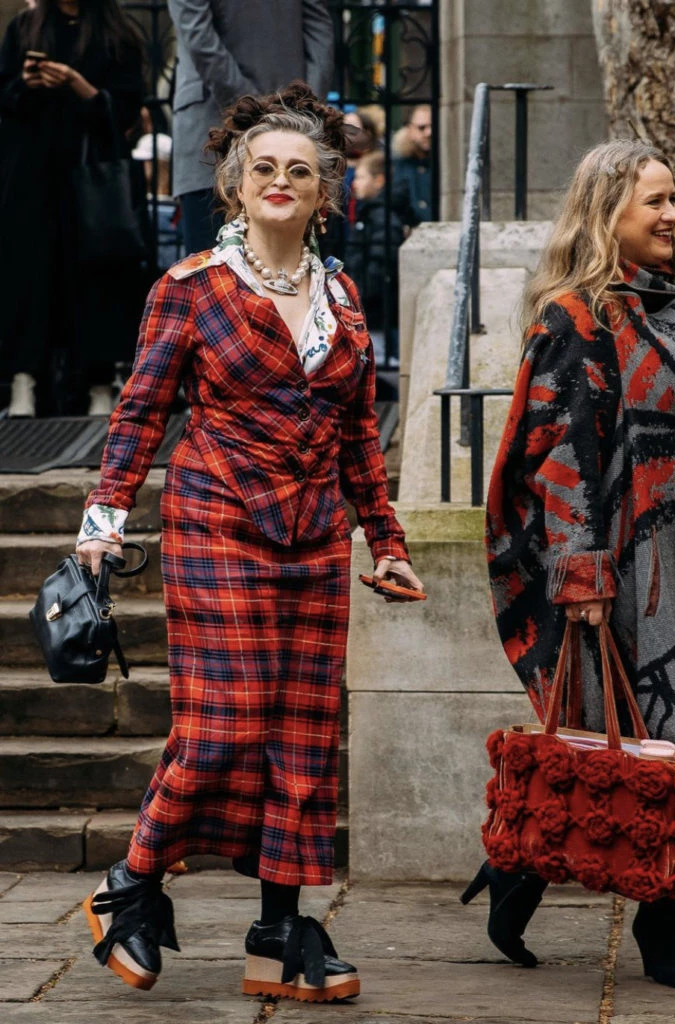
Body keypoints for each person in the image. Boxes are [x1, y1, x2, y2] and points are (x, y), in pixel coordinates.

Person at [74, 83, 424, 1002]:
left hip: (314, 535)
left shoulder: (344, 296)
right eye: (263, 168)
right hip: (217, 518)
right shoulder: (189, 290)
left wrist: (384, 540)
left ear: (324, 193)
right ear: (235, 183)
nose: (280, 181)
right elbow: (140, 415)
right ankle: (133, 887)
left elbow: (357, 434)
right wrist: (102, 525)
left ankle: (281, 929)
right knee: (224, 725)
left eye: (299, 171)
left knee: (303, 737)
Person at [472, 139, 675, 990]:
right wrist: (582, 579)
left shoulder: (670, 308)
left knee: (648, 745)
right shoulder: (575, 319)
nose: (673, 215)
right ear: (609, 214)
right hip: (619, 571)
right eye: (656, 202)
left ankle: (516, 874)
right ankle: (661, 927)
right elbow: (557, 460)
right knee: (653, 743)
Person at [0, 0, 146, 417]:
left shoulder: (117, 33)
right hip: (31, 177)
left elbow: (126, 109)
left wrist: (81, 87)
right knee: (28, 277)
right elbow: (4, 96)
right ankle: (24, 383)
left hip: (90, 176)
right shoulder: (25, 27)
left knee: (96, 277)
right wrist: (26, 83)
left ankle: (99, 384)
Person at [168, 0, 334, 255]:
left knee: (299, 270)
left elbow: (319, 26)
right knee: (210, 275)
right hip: (212, 125)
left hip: (292, 121)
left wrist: (304, 107)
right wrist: (262, 112)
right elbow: (198, 35)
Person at [344, 149, 417, 365]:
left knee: (377, 361)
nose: (355, 183)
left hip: (374, 309)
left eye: (361, 176)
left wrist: (361, 296)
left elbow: (380, 263)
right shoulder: (369, 213)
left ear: (379, 180)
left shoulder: (382, 217)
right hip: (368, 306)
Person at [391, 103, 432, 223]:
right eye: (422, 127)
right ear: (410, 130)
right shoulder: (398, 164)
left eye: (432, 127)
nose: (429, 133)